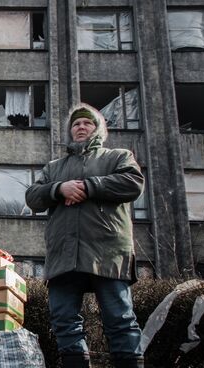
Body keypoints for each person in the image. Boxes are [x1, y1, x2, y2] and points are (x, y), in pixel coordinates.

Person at [25, 103, 145, 368]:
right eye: (76, 124)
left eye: (87, 123)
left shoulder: (117, 156)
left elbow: (133, 183)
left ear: (98, 129)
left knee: (120, 318)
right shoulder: (54, 167)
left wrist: (88, 186)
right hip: (64, 254)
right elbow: (32, 197)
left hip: (108, 250)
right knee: (64, 320)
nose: (80, 127)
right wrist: (59, 189)